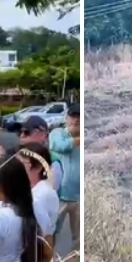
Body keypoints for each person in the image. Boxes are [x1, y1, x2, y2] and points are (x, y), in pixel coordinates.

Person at [49, 104, 81, 247]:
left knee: (79, 238)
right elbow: (59, 146)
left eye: (79, 116)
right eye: (73, 116)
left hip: (79, 197)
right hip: (60, 196)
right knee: (52, 233)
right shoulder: (57, 133)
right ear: (66, 118)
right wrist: (78, 139)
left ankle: (75, 260)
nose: (76, 119)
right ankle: (49, 259)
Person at [19, 115, 63, 186]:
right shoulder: (17, 156)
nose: (22, 135)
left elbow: (50, 189)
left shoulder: (53, 162)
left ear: (43, 135)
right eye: (20, 132)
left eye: (27, 132)